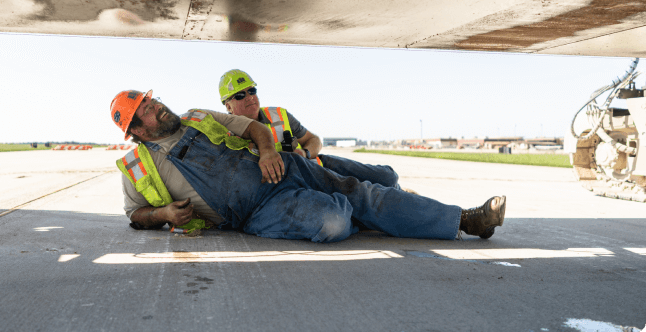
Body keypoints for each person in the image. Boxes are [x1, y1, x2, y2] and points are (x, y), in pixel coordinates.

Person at [111, 89, 506, 243]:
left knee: (363, 191)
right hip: (257, 211)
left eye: (153, 99)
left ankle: (466, 220)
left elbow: (253, 127)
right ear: (136, 131)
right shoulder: (137, 166)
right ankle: (377, 214)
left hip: (285, 168)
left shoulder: (197, 115)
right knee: (333, 223)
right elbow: (136, 214)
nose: (157, 106)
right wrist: (162, 213)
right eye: (146, 110)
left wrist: (267, 151)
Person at [218, 69, 407, 191]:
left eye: (252, 91)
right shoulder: (227, 135)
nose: (249, 97)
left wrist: (305, 152)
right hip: (306, 184)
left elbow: (314, 139)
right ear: (228, 107)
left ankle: (397, 191)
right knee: (364, 193)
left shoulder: (279, 115)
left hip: (320, 164)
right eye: (240, 95)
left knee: (387, 176)